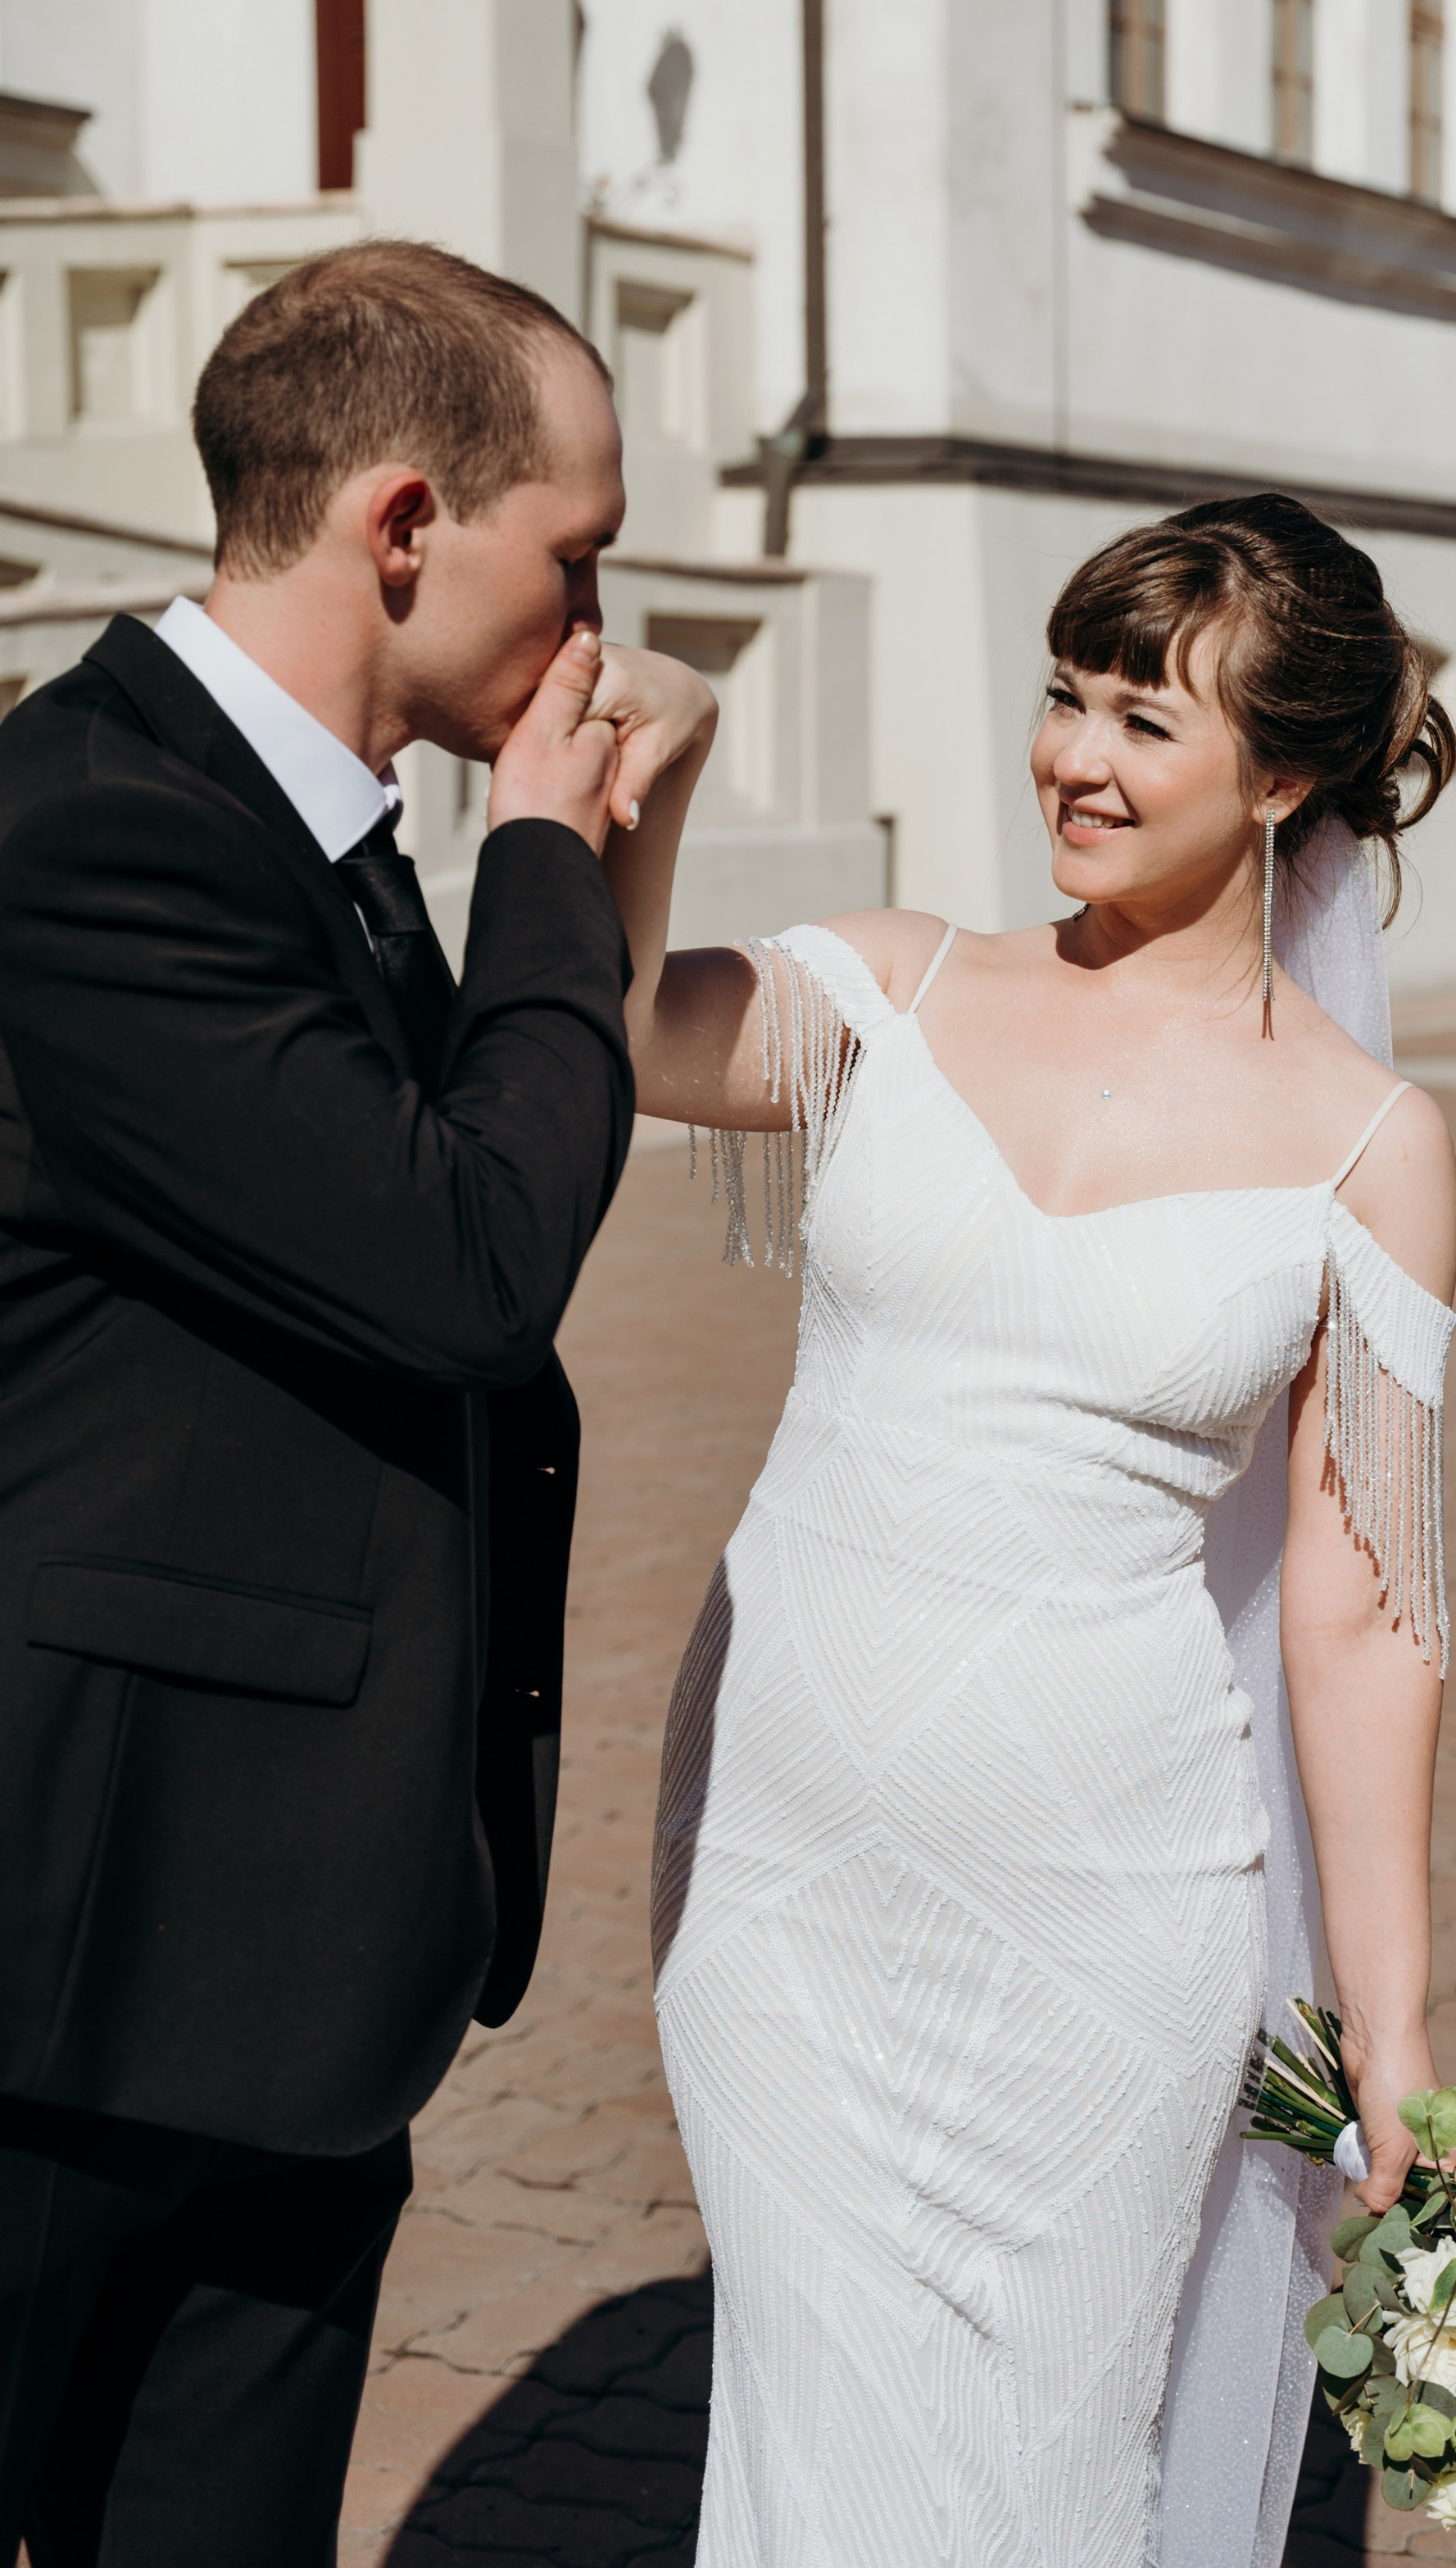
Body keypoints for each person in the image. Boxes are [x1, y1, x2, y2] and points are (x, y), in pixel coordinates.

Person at [609, 492, 1456, 2568]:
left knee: (1048, 2475)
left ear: (1280, 775)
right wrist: (661, 784)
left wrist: (1390, 2013)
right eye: (1062, 696)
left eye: (1140, 722)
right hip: (784, 1868)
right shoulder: (890, 989)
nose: (1074, 757)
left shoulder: (1370, 1141)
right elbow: (618, 1035)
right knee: (808, 2451)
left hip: (1108, 1899)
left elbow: (1359, 1614)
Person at [0, 239, 707, 2566]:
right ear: (406, 524)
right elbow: (467, 1260)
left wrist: (582, 863)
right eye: (574, 554)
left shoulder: (321, 831)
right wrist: (539, 847)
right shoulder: (97, 831)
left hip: (287, 1951)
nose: (594, 625)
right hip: (76, 1958)